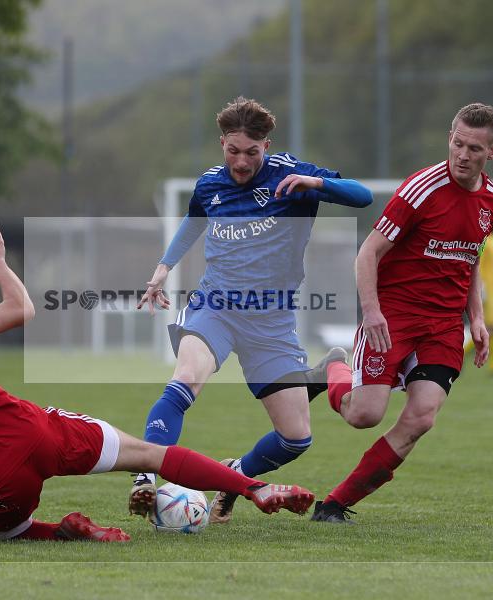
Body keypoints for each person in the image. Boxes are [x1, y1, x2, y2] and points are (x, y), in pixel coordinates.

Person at [0, 221, 315, 549]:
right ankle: (254, 487)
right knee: (149, 454)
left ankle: (67, 530)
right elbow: (22, 310)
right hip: (39, 430)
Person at [130, 96, 372, 524]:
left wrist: (316, 184)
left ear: (267, 146)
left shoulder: (290, 174)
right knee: (185, 380)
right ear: (222, 143)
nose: (241, 162)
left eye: (252, 153)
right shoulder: (210, 184)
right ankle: (144, 477)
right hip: (216, 307)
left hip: (271, 320)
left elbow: (363, 196)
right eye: (233, 151)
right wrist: (163, 268)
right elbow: (194, 220)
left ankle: (234, 476)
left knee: (296, 438)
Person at [307, 103, 493, 523]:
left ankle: (335, 504)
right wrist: (372, 311)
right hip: (394, 315)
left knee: (421, 418)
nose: (463, 155)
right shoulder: (422, 189)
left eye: (474, 148)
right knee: (364, 415)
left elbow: (469, 259)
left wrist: (477, 317)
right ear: (449, 138)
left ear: (492, 152)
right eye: (457, 143)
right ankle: (332, 371)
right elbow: (368, 253)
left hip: (444, 326)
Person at [464, 231, 493, 376]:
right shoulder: (485, 240)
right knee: (487, 328)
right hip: (488, 291)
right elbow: (478, 265)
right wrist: (481, 288)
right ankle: (460, 354)